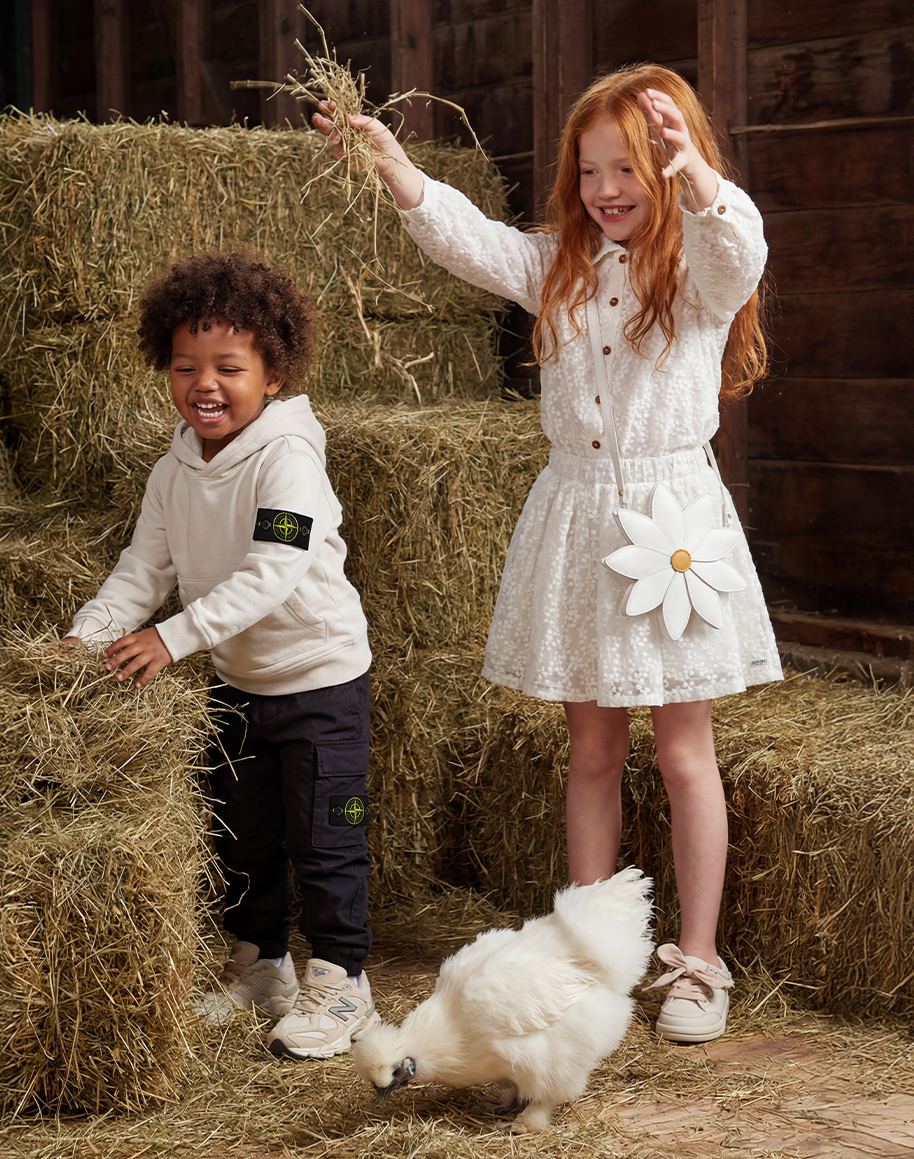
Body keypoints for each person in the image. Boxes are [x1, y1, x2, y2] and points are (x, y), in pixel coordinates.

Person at [313, 64, 782, 1044]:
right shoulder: (558, 265)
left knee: (684, 752)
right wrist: (396, 166)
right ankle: (590, 957)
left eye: (629, 168)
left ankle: (698, 961)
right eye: (590, 169)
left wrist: (697, 177)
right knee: (592, 749)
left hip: (670, 527)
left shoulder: (696, 269)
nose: (606, 188)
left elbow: (740, 250)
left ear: (668, 167)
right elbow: (470, 240)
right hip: (579, 517)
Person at [62, 250, 377, 1061]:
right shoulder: (173, 471)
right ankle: (262, 969)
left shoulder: (288, 459)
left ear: (274, 376)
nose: (204, 384)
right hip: (239, 683)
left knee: (326, 838)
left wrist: (171, 638)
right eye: (185, 367)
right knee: (242, 834)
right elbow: (142, 571)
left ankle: (342, 983)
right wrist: (81, 640)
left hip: (318, 683)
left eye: (229, 368)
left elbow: (274, 571)